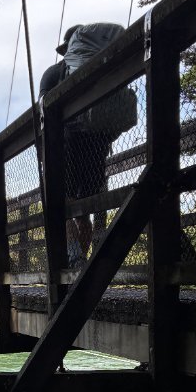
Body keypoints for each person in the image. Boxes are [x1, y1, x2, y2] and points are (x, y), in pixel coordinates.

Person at [40, 23, 129, 267]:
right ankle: (83, 262)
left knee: (65, 203)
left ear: (65, 49)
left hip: (65, 147)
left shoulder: (52, 73)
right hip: (96, 143)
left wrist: (43, 155)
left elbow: (43, 115)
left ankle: (74, 258)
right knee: (85, 208)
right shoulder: (99, 66)